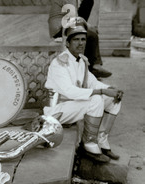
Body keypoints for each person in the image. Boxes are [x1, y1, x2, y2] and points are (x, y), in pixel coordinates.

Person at [44, 17, 123, 163]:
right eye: (76, 40)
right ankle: (89, 146)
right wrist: (101, 92)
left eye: (83, 39)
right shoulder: (59, 63)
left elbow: (92, 82)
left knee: (114, 99)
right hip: (57, 110)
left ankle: (102, 140)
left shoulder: (81, 61)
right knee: (96, 100)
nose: (81, 43)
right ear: (67, 43)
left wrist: (110, 89)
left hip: (75, 105)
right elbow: (69, 91)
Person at [48, 0, 112, 78]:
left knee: (88, 2)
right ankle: (94, 66)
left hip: (66, 25)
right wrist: (88, 26)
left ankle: (89, 67)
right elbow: (73, 19)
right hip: (60, 29)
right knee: (92, 35)